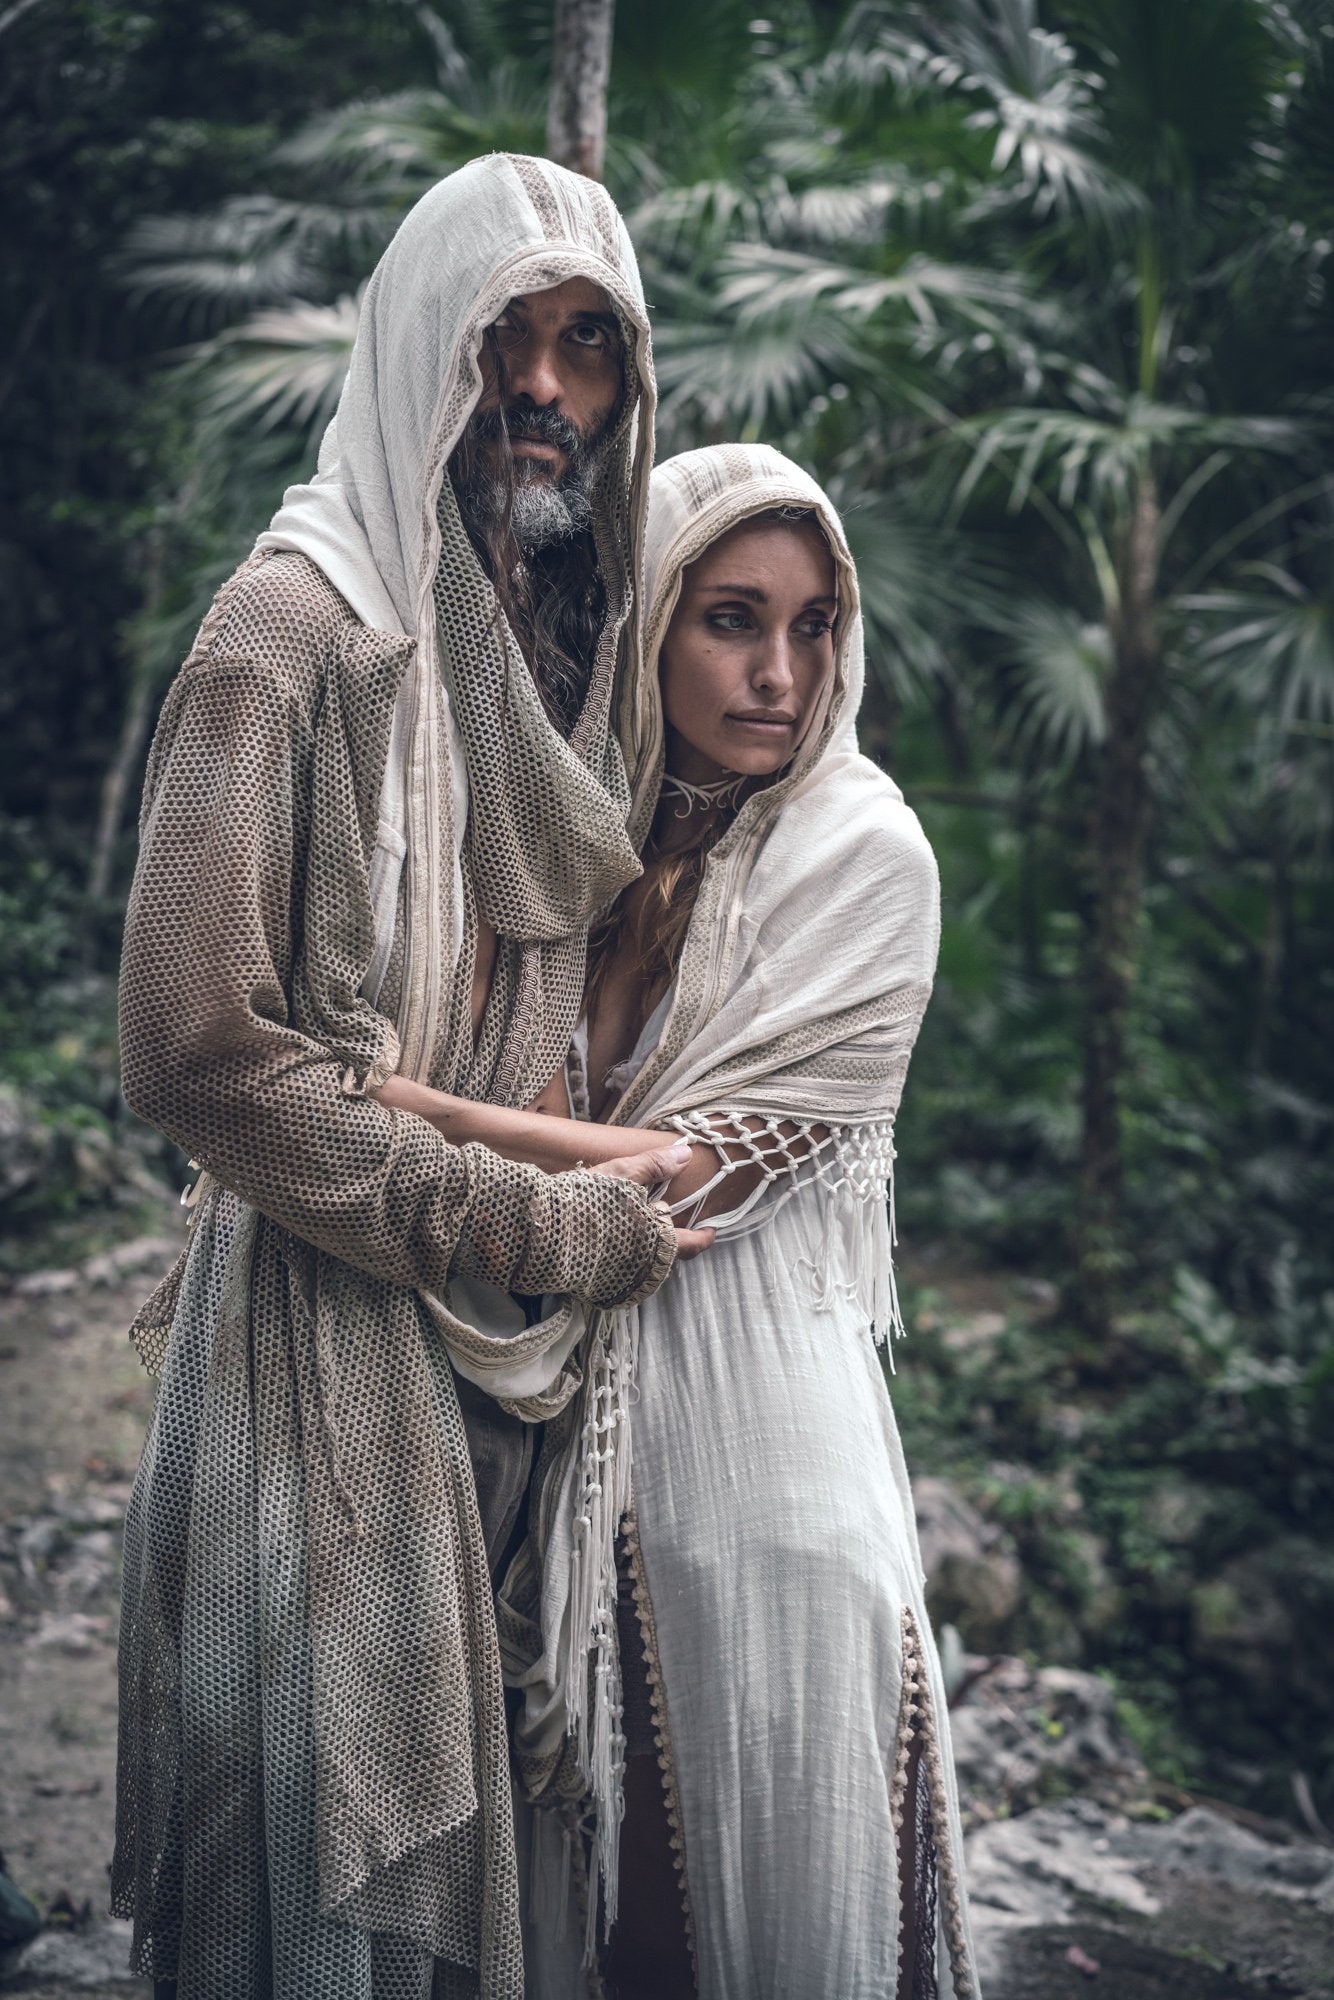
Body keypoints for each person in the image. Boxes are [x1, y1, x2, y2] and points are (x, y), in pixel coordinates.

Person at [112, 155, 711, 2000]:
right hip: (320, 1328)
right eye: (500, 341)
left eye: (584, 347)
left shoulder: (560, 632)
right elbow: (195, 1051)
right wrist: (527, 1213)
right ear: (415, 355)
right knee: (315, 1890)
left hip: (507, 1359)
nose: (540, 387)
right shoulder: (290, 637)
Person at [386, 443, 981, 1998]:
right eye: (731, 619)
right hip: (543, 1446)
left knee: (735, 1909)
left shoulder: (866, 856)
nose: (782, 672)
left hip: (756, 1472)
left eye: (814, 624)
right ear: (647, 623)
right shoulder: (582, 853)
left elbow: (682, 1178)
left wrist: (404, 1111)